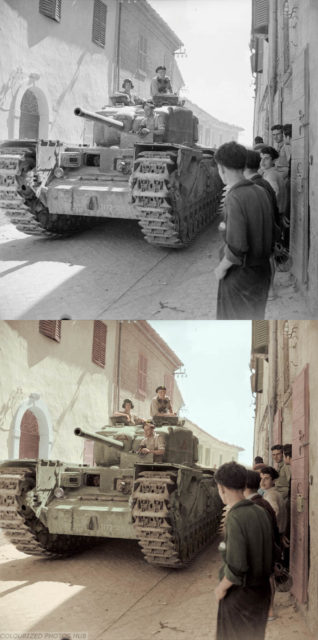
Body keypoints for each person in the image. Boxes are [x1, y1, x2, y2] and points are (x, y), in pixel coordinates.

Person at [214, 141, 275, 320]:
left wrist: (221, 269)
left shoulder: (234, 197)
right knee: (257, 325)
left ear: (222, 169)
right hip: (262, 273)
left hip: (241, 277)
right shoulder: (260, 191)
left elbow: (237, 248)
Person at [214, 462, 273, 640]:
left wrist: (221, 589)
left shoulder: (234, 517)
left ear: (222, 488)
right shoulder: (260, 511)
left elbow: (237, 567)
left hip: (241, 596)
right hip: (262, 593)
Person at [259, 466, 287, 536]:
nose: (262, 482)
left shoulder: (271, 495)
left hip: (273, 534)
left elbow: (274, 512)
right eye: (261, 478)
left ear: (274, 481)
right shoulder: (272, 493)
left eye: (266, 478)